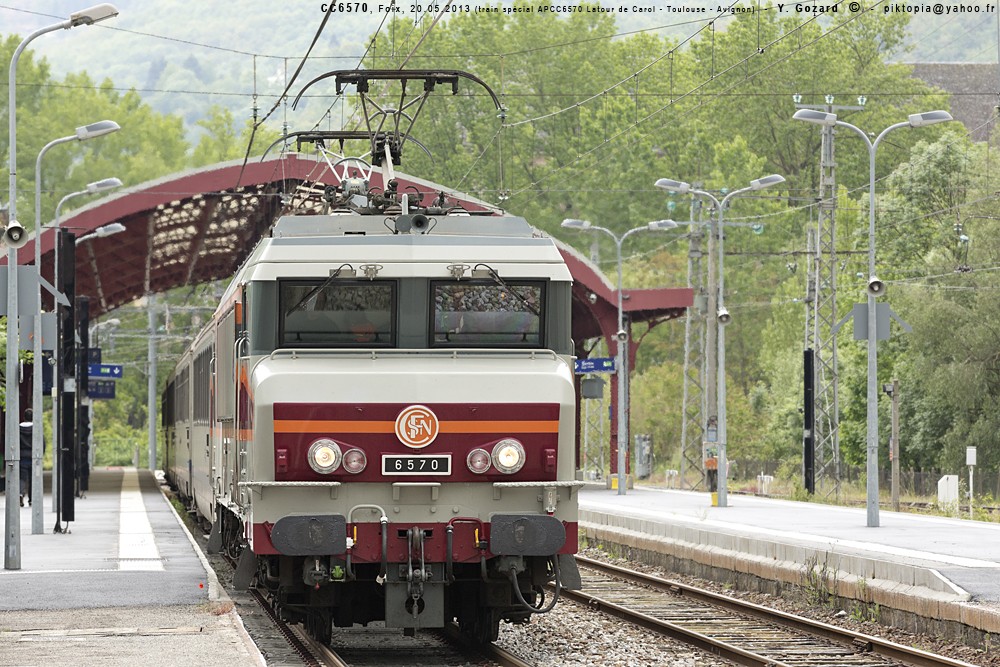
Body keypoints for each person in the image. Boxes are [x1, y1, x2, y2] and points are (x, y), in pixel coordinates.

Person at [18, 409, 34, 507]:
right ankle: (31, 499)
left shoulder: (18, 428)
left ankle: (20, 494)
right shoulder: (36, 428)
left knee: (22, 478)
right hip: (33, 456)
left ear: (24, 417)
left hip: (22, 456)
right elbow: (42, 442)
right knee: (33, 479)